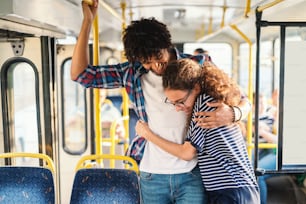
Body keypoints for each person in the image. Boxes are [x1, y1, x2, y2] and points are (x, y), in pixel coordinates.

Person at [71, 1, 251, 203]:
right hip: (152, 174)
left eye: (160, 59)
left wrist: (234, 113)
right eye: (147, 63)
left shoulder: (197, 65)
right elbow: (81, 75)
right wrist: (88, 21)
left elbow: (245, 101)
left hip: (192, 173)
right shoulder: (131, 73)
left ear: (168, 46)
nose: (156, 67)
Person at [135, 59, 260, 204]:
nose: (177, 108)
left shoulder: (205, 104)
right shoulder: (213, 98)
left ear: (195, 88)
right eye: (173, 103)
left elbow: (187, 153)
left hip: (230, 189)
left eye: (181, 101)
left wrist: (147, 134)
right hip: (235, 188)